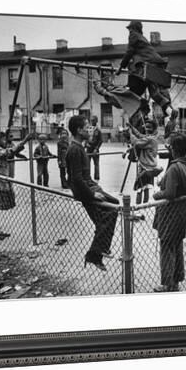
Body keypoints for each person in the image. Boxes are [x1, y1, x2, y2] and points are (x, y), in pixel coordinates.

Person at [66, 115, 119, 271]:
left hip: (90, 186)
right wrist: (92, 194)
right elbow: (75, 179)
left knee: (113, 205)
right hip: (86, 191)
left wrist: (95, 187)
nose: (90, 130)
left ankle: (100, 248)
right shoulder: (75, 149)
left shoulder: (79, 146)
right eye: (87, 127)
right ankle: (95, 253)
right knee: (108, 214)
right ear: (78, 130)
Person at [152, 133, 186, 292]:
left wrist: (157, 194)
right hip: (181, 213)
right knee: (177, 246)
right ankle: (176, 280)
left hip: (169, 214)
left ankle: (166, 283)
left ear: (174, 149)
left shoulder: (174, 167)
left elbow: (170, 193)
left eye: (170, 146)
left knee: (166, 248)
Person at [115, 20, 176, 119]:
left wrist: (121, 67)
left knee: (133, 93)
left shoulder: (133, 35)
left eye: (130, 28)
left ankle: (141, 113)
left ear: (134, 28)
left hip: (147, 66)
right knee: (155, 94)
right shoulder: (142, 38)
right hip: (156, 65)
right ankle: (170, 111)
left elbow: (129, 52)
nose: (129, 31)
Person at [0, 131, 33, 241]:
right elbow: (9, 153)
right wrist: (25, 140)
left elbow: (11, 152)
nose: (5, 141)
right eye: (2, 139)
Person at [128, 118, 163, 205]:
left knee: (139, 188)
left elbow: (136, 142)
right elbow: (140, 135)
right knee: (146, 187)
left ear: (153, 129)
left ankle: (138, 208)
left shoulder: (150, 140)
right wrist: (132, 127)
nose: (146, 129)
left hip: (145, 167)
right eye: (145, 127)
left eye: (149, 127)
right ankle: (144, 207)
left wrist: (130, 134)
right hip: (151, 167)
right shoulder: (152, 137)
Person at [85, 115, 103, 180]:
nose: (92, 121)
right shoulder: (88, 129)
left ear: (96, 121)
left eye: (93, 120)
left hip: (95, 148)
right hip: (88, 148)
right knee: (87, 164)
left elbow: (100, 140)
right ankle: (87, 177)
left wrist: (96, 148)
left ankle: (97, 177)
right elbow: (86, 138)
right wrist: (86, 144)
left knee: (96, 164)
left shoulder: (98, 130)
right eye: (91, 120)